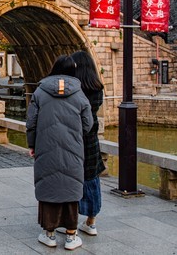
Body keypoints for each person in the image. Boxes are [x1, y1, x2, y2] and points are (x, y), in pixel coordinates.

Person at [26, 55, 92, 251]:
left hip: (45, 147)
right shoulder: (79, 94)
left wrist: (32, 144)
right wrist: (75, 135)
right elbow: (88, 124)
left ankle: (50, 234)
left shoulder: (40, 92)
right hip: (73, 148)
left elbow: (31, 122)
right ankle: (71, 236)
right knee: (71, 186)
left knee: (48, 185)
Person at [71, 50, 105, 237]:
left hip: (73, 138)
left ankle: (70, 221)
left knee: (71, 179)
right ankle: (91, 222)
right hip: (91, 139)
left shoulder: (73, 90)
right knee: (91, 178)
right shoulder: (97, 88)